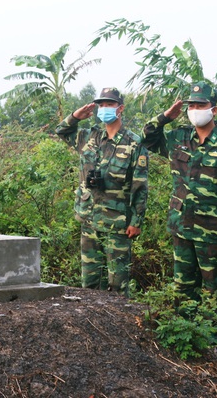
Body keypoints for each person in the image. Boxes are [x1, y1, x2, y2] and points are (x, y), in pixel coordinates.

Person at [142, 81, 217, 347]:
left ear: (214, 109)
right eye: (191, 105)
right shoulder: (178, 137)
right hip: (182, 224)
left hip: (213, 228)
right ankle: (185, 336)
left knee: (215, 288)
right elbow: (146, 137)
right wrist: (166, 116)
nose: (195, 110)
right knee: (183, 285)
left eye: (200, 105)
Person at [55, 87, 148, 296]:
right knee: (89, 282)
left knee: (118, 286)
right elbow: (61, 131)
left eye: (110, 104)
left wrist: (136, 221)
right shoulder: (89, 137)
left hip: (117, 223)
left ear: (120, 108)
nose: (104, 108)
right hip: (89, 219)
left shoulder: (134, 143)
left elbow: (140, 186)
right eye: (102, 104)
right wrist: (76, 116)